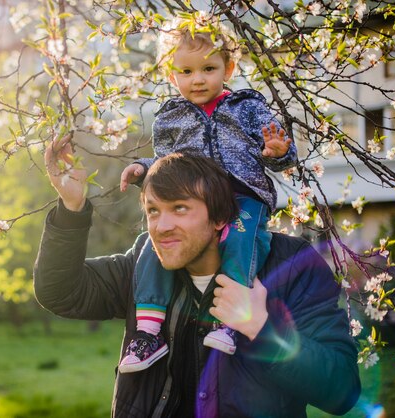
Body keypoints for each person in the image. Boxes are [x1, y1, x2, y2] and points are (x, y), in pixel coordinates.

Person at [34, 142, 360, 417]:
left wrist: (262, 328)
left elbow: (341, 391)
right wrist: (72, 206)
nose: (161, 226)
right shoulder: (144, 267)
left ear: (220, 217)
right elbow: (60, 291)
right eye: (153, 211)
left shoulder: (290, 266)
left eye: (179, 208)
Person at [118, 16, 298, 370]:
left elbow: (278, 154)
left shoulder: (247, 107)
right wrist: (142, 169)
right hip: (194, 199)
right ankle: (148, 333)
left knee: (242, 241)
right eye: (185, 71)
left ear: (228, 68)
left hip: (243, 195)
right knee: (159, 244)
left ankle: (228, 321)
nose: (197, 79)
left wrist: (278, 152)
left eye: (208, 68)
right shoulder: (171, 117)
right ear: (172, 76)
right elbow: (163, 163)